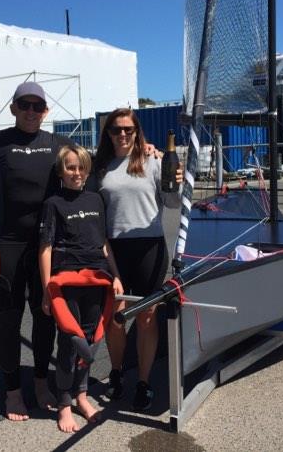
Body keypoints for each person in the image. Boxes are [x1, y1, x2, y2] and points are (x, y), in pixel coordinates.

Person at [0, 81, 73, 421]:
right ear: (13, 108)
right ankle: (13, 389)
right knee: (10, 318)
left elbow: (90, 168)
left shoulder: (57, 145)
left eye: (37, 106)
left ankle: (41, 382)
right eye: (24, 105)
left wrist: (146, 152)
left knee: (45, 317)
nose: (31, 111)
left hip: (45, 248)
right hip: (7, 246)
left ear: (46, 111)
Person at [93, 108, 182, 411]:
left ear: (137, 132)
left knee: (146, 318)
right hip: (114, 251)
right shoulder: (100, 167)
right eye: (116, 129)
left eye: (128, 130)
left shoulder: (154, 161)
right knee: (115, 318)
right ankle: (117, 372)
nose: (122, 135)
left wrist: (177, 181)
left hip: (150, 249)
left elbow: (171, 202)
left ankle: (143, 382)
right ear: (108, 133)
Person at [38, 145, 123, 433]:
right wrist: (46, 289)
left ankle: (82, 396)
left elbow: (103, 244)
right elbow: (45, 248)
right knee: (71, 342)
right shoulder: (53, 203)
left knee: (93, 337)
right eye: (71, 167)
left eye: (81, 167)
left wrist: (116, 275)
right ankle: (64, 404)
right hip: (66, 281)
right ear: (61, 171)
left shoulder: (96, 199)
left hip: (96, 279)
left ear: (88, 170)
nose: (77, 173)